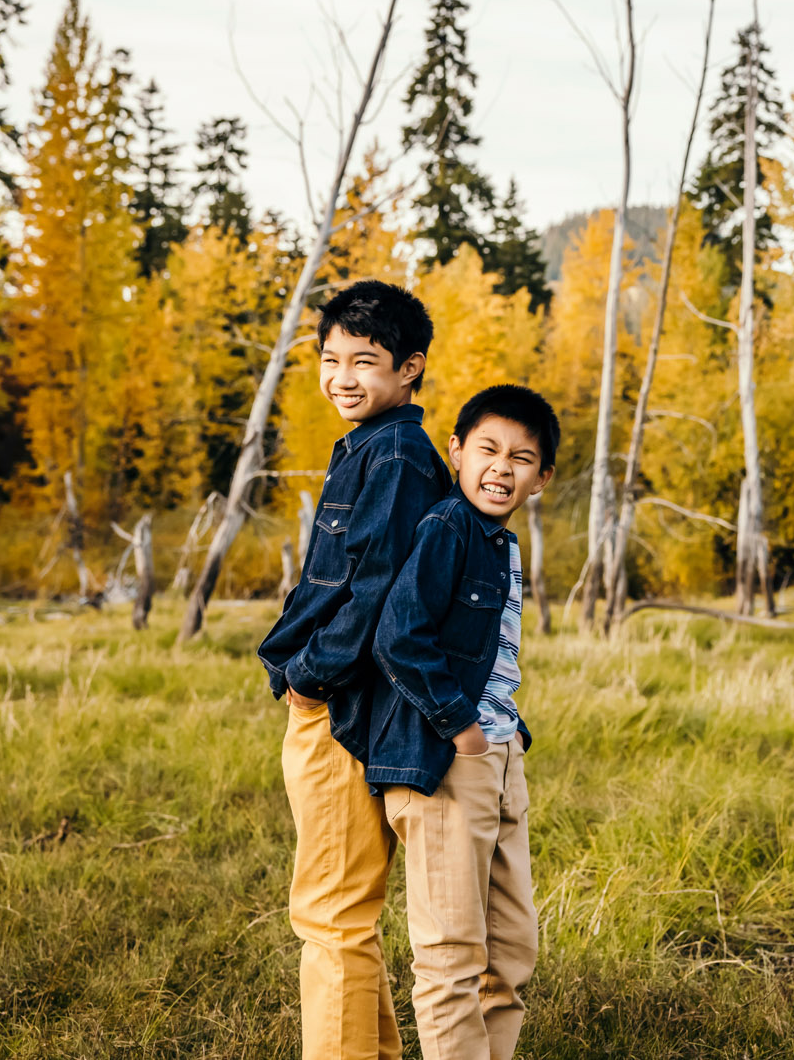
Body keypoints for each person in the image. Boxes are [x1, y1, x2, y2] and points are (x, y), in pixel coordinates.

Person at [257, 279, 449, 1060]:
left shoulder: (398, 454)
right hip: (339, 704)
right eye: (331, 359)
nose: (342, 377)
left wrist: (310, 677)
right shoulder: (372, 445)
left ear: (410, 369)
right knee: (344, 916)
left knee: (332, 917)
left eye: (364, 361)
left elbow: (376, 589)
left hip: (342, 707)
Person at [367, 383, 558, 1060]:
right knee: (452, 953)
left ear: (542, 478)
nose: (502, 467)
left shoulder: (499, 544)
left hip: (502, 757)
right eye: (487, 449)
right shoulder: (448, 527)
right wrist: (462, 727)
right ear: (456, 451)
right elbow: (399, 635)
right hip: (450, 759)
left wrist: (507, 735)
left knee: (511, 948)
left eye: (521, 457)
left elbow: (485, 654)